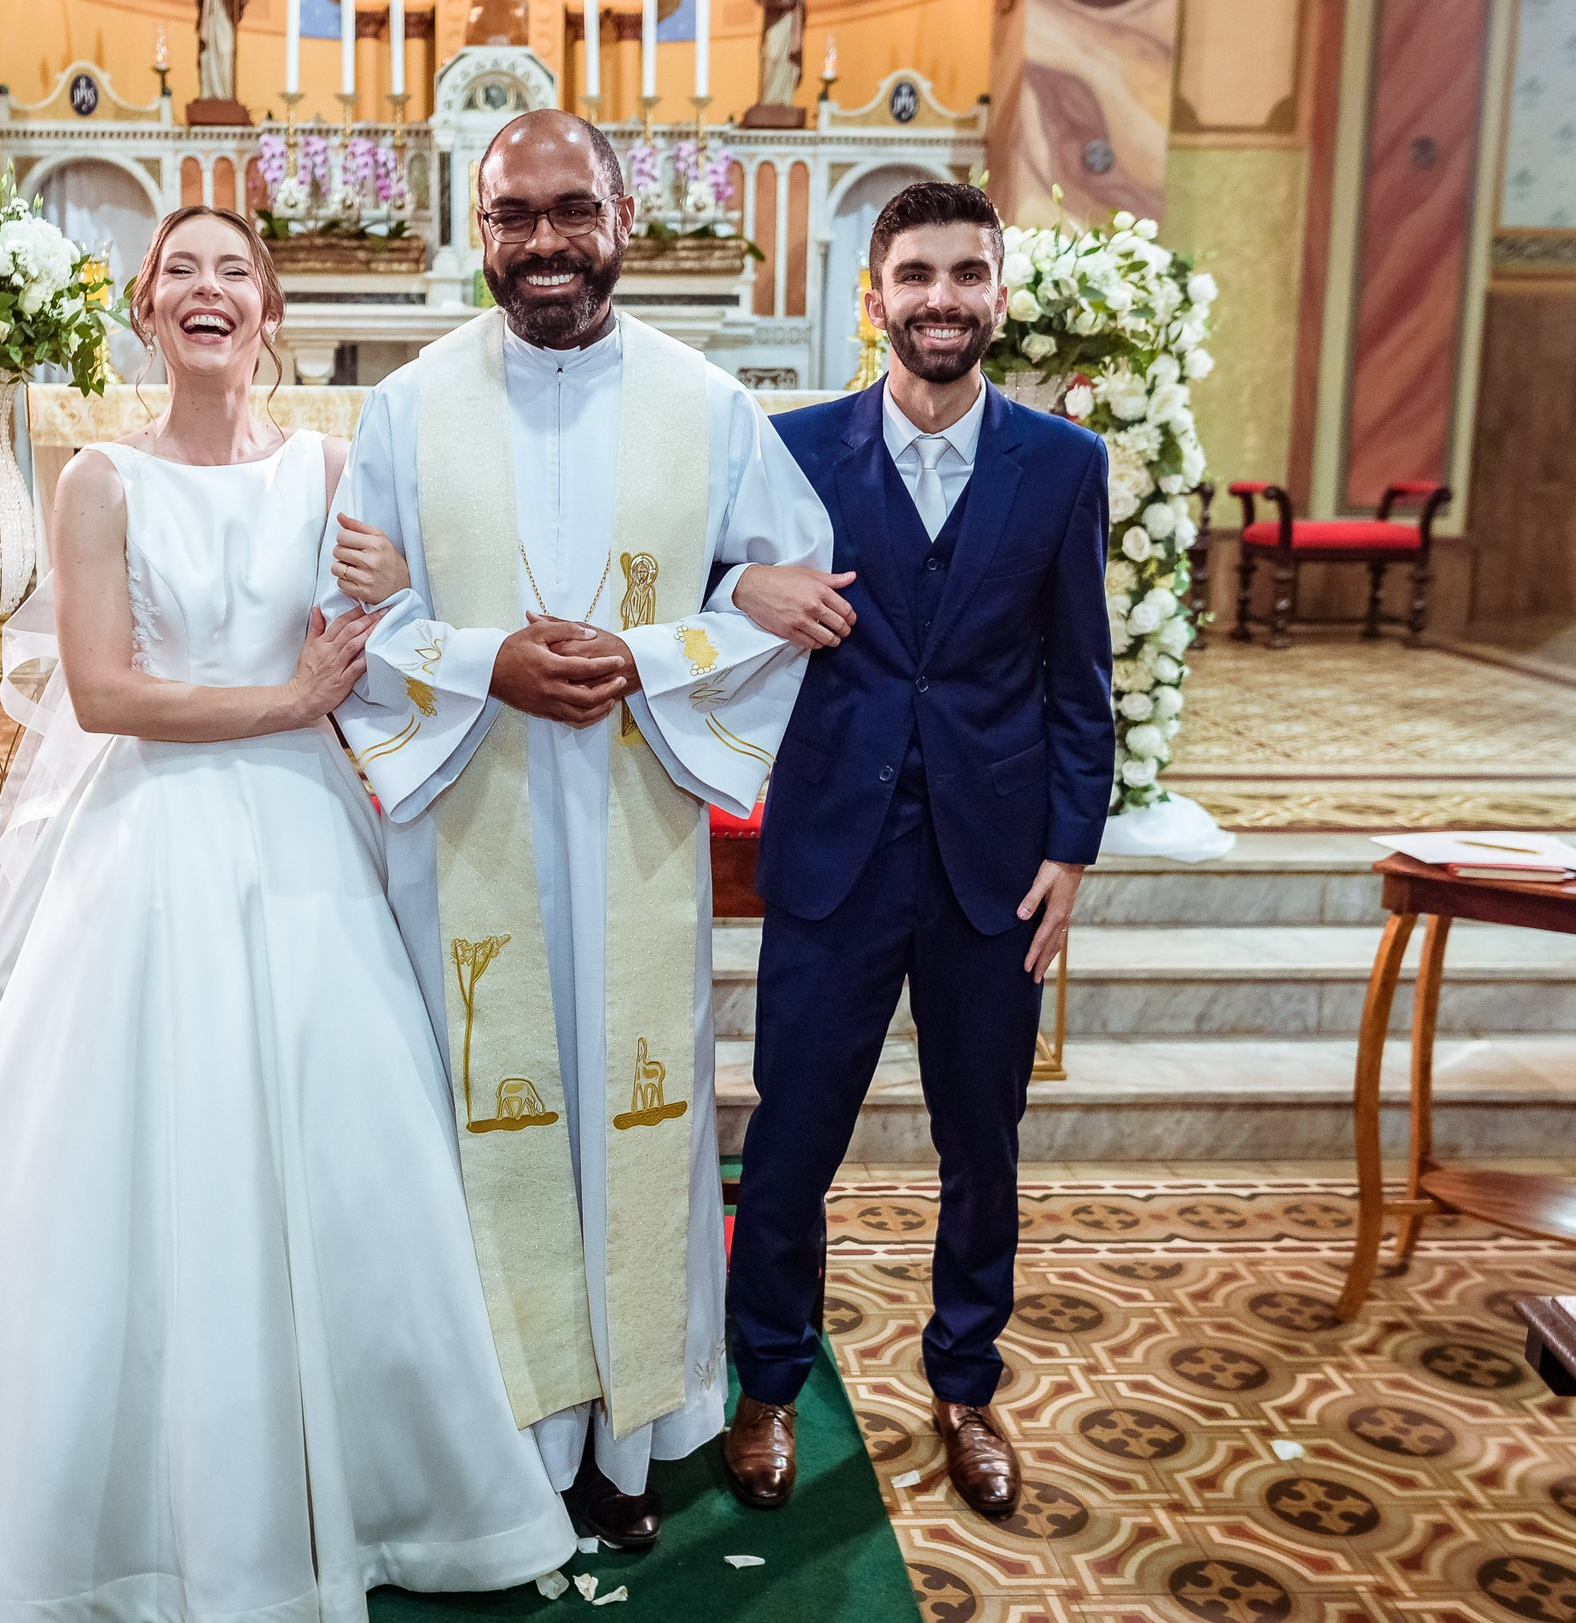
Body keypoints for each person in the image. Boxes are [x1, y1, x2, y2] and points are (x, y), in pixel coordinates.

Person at [0, 204, 575, 1623]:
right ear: (144, 306)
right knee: (103, 1159)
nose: (207, 291)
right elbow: (105, 694)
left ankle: (387, 1496)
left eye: (233, 271)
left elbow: (393, 625)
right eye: (181, 270)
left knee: (348, 1145)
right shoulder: (99, 481)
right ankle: (95, 1527)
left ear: (270, 307)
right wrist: (282, 703)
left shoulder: (324, 470)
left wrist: (395, 607)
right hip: (153, 842)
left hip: (308, 840)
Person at [319, 109, 839, 1550]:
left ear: (622, 213)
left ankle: (624, 1440)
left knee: (638, 1112)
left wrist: (645, 662)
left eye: (570, 208)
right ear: (475, 229)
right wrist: (490, 664)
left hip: (635, 816)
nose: (543, 241)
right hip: (474, 804)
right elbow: (348, 615)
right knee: (491, 1111)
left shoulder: (706, 402)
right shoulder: (410, 406)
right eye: (513, 215)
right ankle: (503, 1435)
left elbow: (789, 585)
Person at [721, 181, 1114, 1518]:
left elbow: (1079, 676)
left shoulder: (1064, 467)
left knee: (981, 1139)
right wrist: (740, 585)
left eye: (966, 274)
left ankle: (965, 1384)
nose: (941, 299)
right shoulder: (790, 450)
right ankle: (768, 1379)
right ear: (871, 297)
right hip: (834, 848)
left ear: (998, 297)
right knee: (791, 1138)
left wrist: (1073, 846)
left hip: (994, 864)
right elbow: (702, 586)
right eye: (917, 275)